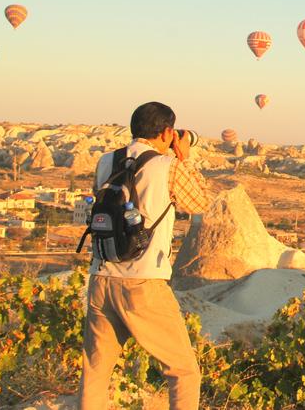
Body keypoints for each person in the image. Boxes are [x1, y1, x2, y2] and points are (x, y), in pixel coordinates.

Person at [79, 102, 211, 410]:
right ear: (167, 132)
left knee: (95, 373)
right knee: (183, 371)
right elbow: (200, 201)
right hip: (143, 283)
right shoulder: (167, 166)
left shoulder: (105, 162)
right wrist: (183, 157)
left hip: (101, 278)